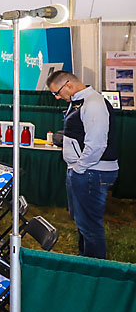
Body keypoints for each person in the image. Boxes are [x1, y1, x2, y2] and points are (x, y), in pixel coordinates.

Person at [47, 70, 120, 259]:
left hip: (92, 171)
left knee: (90, 225)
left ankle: (94, 270)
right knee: (83, 222)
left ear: (69, 85)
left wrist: (79, 168)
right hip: (86, 170)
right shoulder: (78, 102)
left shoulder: (93, 103)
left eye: (57, 92)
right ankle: (85, 260)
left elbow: (96, 144)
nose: (57, 97)